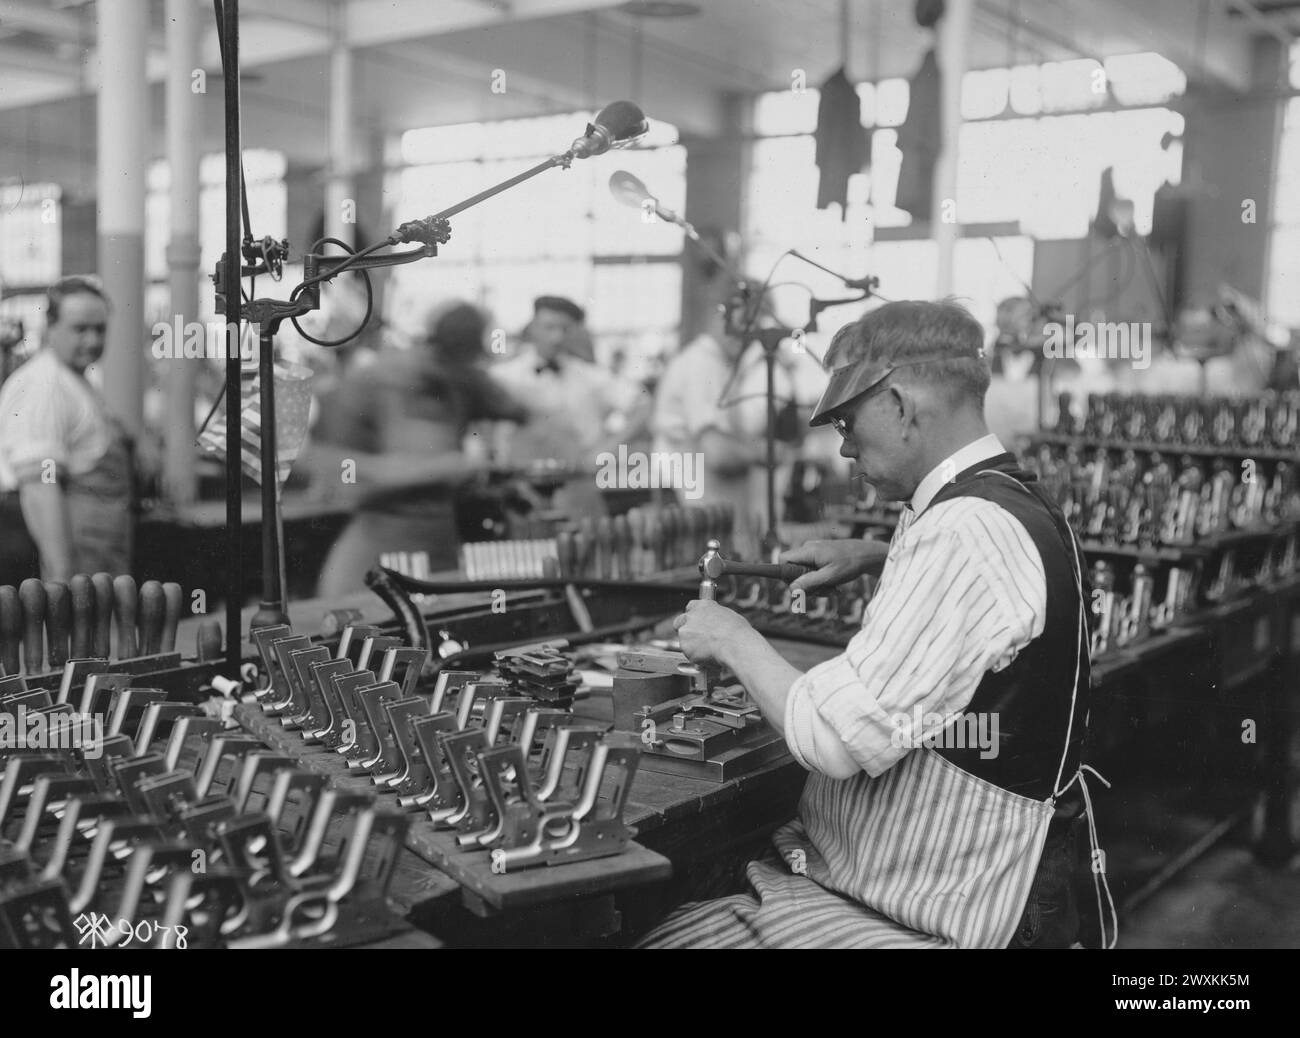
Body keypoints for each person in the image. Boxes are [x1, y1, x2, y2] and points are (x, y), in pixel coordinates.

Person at [639, 300, 1102, 949]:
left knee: (660, 936)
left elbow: (831, 739)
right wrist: (888, 557)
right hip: (938, 873)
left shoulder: (962, 531)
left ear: (904, 405)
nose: (844, 445)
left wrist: (732, 637)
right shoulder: (1000, 494)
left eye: (850, 421)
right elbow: (1006, 600)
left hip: (948, 905)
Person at [311, 301, 528, 596]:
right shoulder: (375, 380)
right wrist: (435, 469)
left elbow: (526, 411)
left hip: (440, 542)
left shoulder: (461, 380)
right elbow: (325, 465)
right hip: (378, 544)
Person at [652, 271, 799, 557]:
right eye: (746, 324)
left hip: (717, 521)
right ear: (720, 315)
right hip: (699, 521)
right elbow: (718, 454)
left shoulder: (722, 366)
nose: (751, 337)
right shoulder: (701, 365)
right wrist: (764, 453)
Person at [0, 275, 134, 581]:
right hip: (72, 569)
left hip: (98, 558)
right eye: (80, 329)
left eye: (100, 329)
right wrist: (62, 581)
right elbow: (40, 489)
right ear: (51, 328)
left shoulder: (78, 379)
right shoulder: (42, 386)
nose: (93, 340)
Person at [493, 296, 648, 518]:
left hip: (577, 489)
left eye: (565, 329)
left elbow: (642, 403)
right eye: (549, 327)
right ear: (532, 328)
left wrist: (604, 450)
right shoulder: (505, 377)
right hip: (521, 493)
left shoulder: (590, 377)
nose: (556, 337)